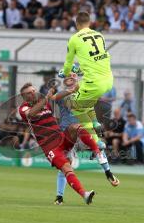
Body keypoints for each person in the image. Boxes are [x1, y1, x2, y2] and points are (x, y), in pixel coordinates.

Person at [19, 82, 102, 205]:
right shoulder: (23, 108)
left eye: (33, 90)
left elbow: (56, 97)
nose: (33, 93)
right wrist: (47, 97)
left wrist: (71, 90)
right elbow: (31, 114)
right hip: (50, 147)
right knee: (66, 168)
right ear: (24, 97)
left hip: (61, 138)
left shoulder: (45, 102)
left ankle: (97, 152)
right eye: (29, 93)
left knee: (76, 127)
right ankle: (84, 194)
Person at [47, 76, 120, 205]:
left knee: (99, 146)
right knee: (65, 166)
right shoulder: (64, 95)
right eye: (68, 77)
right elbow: (54, 98)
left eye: (73, 77)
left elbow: (91, 112)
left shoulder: (85, 96)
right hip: (67, 135)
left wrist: (96, 124)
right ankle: (59, 197)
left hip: (82, 133)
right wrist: (68, 91)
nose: (71, 78)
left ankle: (108, 173)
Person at [58, 11, 113, 144]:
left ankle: (97, 141)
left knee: (75, 107)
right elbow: (95, 60)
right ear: (90, 23)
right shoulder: (100, 35)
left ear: (76, 24)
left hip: (94, 83)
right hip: (108, 80)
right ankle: (94, 122)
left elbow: (68, 64)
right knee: (80, 91)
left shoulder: (74, 38)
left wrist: (65, 72)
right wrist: (78, 69)